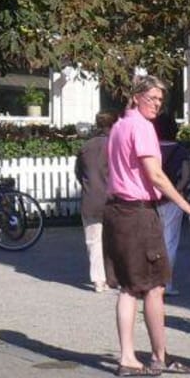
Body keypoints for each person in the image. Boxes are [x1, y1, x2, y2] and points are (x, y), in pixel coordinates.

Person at [102, 75, 190, 377]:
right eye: (151, 98)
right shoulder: (142, 127)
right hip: (138, 212)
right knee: (154, 286)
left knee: (129, 287)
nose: (157, 105)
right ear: (136, 97)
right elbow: (156, 175)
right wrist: (187, 206)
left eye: (160, 100)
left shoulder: (119, 126)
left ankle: (130, 356)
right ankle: (155, 357)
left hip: (116, 211)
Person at [75, 111, 115, 292]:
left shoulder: (85, 146)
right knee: (114, 240)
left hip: (90, 198)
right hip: (113, 199)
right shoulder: (116, 144)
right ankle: (113, 277)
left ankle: (98, 280)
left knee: (93, 241)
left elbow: (78, 172)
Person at [155, 112, 190, 297]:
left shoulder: (152, 148)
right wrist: (174, 192)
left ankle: (151, 281)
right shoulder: (180, 150)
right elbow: (185, 177)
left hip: (153, 198)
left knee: (154, 240)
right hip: (174, 200)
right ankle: (166, 283)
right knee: (170, 240)